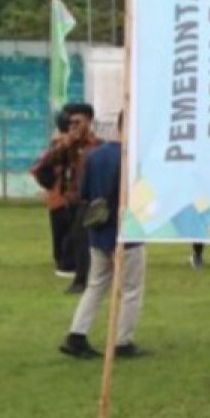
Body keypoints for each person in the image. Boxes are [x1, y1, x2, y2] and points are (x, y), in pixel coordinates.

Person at [58, 112, 146, 359]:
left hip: (98, 232)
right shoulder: (133, 159)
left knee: (95, 285)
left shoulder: (95, 156)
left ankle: (77, 333)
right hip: (128, 232)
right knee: (131, 289)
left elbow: (85, 193)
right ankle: (123, 341)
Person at [47, 103, 101, 293]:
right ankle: (80, 276)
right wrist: (66, 144)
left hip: (88, 200)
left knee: (82, 238)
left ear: (89, 122)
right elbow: (43, 166)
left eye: (77, 122)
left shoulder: (96, 146)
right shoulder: (63, 146)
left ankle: (82, 280)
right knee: (68, 244)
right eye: (70, 123)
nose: (73, 127)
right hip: (65, 200)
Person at [31, 110, 77, 276]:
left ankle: (61, 261)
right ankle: (66, 264)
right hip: (64, 196)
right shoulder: (64, 146)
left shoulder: (53, 145)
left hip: (55, 197)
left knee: (60, 232)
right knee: (69, 232)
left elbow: (37, 168)